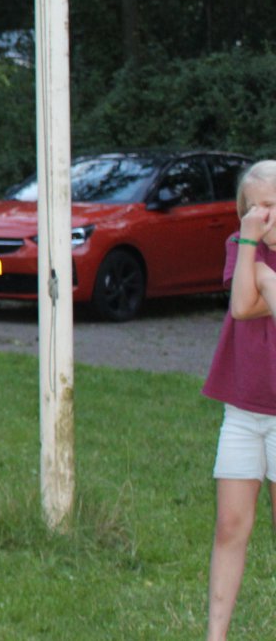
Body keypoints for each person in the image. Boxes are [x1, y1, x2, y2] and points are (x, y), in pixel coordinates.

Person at [203, 160, 276, 641]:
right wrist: (262, 268)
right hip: (243, 407)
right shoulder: (240, 245)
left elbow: (251, 302)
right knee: (230, 524)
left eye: (272, 206)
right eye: (254, 209)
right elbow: (241, 305)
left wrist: (266, 280)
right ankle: (216, 637)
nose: (263, 217)